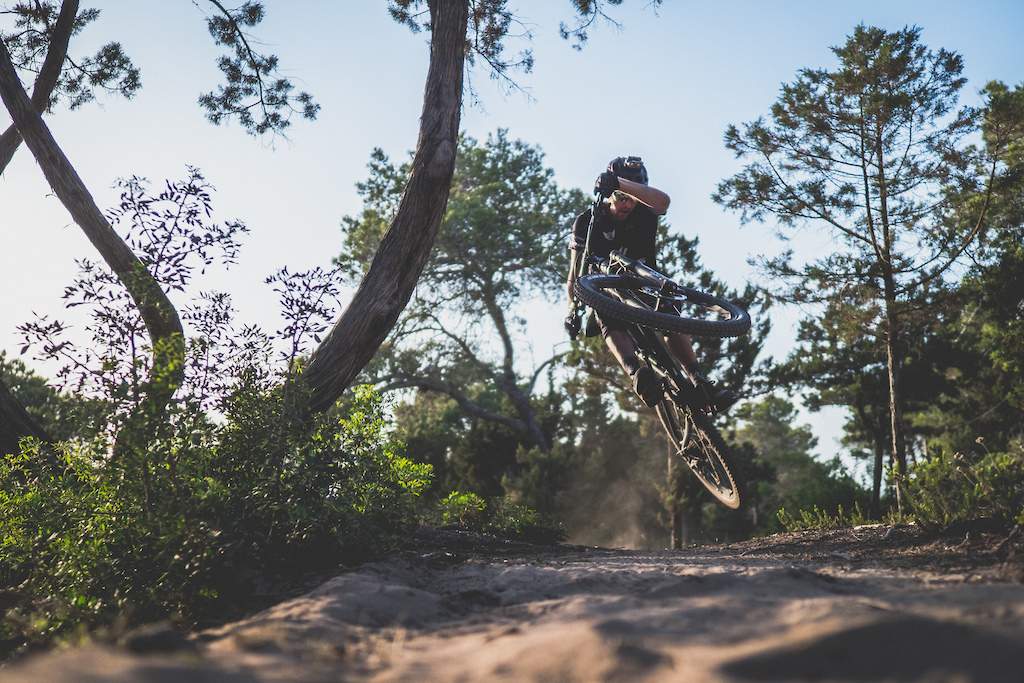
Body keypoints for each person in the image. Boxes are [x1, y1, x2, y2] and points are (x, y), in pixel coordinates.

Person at [565, 156, 737, 413]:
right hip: (606, 292)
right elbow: (574, 274)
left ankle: (699, 382)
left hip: (644, 285)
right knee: (607, 315)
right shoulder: (589, 221)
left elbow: (663, 202)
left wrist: (622, 184)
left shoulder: (645, 213)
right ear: (610, 195)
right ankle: (637, 373)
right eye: (622, 197)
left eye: (633, 198)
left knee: (669, 310)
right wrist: (571, 310)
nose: (628, 204)